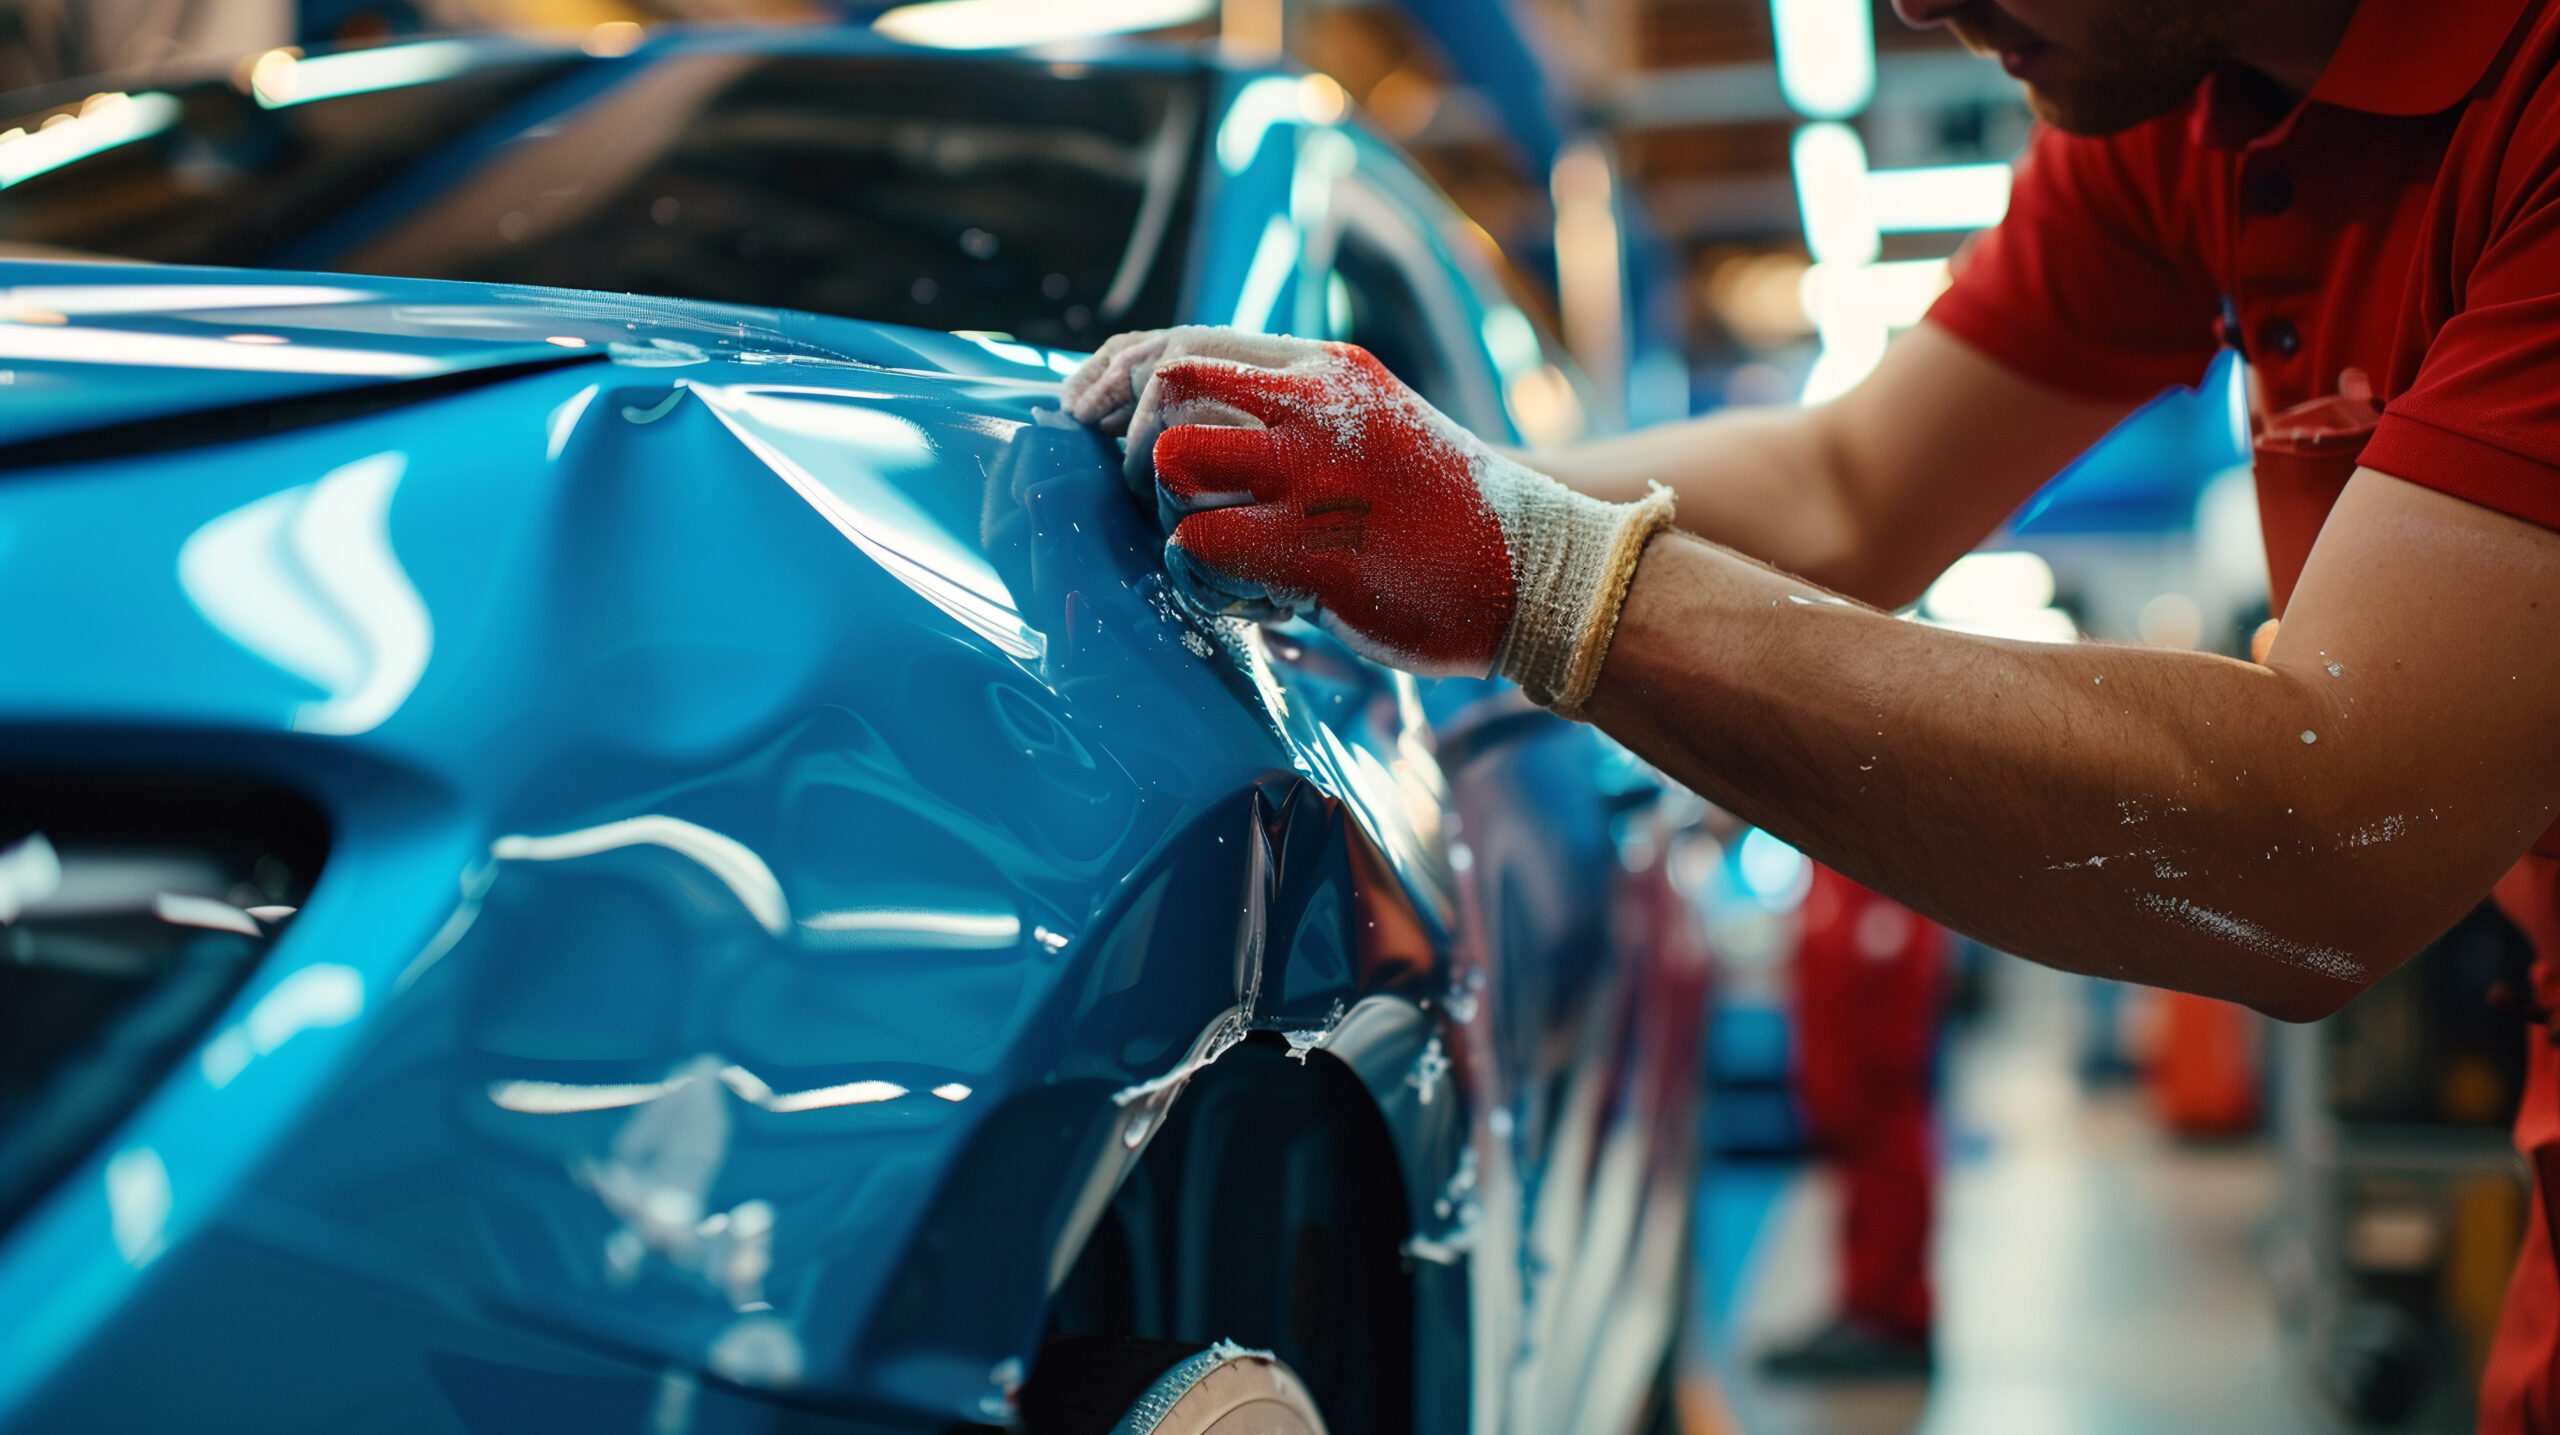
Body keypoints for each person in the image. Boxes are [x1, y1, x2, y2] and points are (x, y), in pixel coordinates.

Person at [1061, 0, 2560, 1424]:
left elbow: (2324, 839)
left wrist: (1533, 568)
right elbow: (1849, 489)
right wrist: (1449, 488)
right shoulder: (2185, 104)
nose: (1910, 8)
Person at [1764, 866, 1948, 1380]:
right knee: (1850, 1118)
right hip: (1853, 872)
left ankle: (1891, 1316)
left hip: (1879, 879)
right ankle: (1867, 1306)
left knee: (1882, 1111)